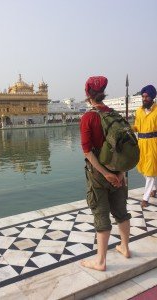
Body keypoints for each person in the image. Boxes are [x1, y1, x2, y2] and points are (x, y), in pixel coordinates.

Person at [80, 76, 131, 271]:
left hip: (99, 176)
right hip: (119, 173)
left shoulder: (88, 117)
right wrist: (121, 173)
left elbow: (87, 151)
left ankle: (100, 261)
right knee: (121, 212)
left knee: (101, 215)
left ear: (88, 94)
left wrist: (104, 173)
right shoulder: (115, 114)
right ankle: (125, 248)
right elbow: (125, 148)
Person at [132, 85, 157, 208]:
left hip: (153, 143)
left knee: (150, 170)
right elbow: (136, 126)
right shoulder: (139, 111)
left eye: (147, 96)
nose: (144, 98)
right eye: (143, 96)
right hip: (141, 142)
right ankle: (153, 188)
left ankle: (145, 198)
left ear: (152, 97)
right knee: (142, 168)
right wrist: (130, 128)